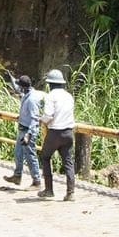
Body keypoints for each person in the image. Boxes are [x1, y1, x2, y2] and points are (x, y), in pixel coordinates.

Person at [35, 68, 75, 202]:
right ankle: (70, 192)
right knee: (68, 161)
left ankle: (49, 190)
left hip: (55, 133)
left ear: (50, 84)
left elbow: (48, 116)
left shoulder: (50, 96)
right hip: (68, 132)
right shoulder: (69, 96)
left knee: (45, 157)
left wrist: (41, 120)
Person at [3, 74, 41, 188]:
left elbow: (35, 119)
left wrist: (29, 135)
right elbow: (16, 86)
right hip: (22, 130)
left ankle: (37, 181)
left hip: (28, 131)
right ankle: (17, 176)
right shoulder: (26, 94)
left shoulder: (31, 100)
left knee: (30, 156)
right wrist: (11, 77)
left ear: (23, 87)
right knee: (18, 154)